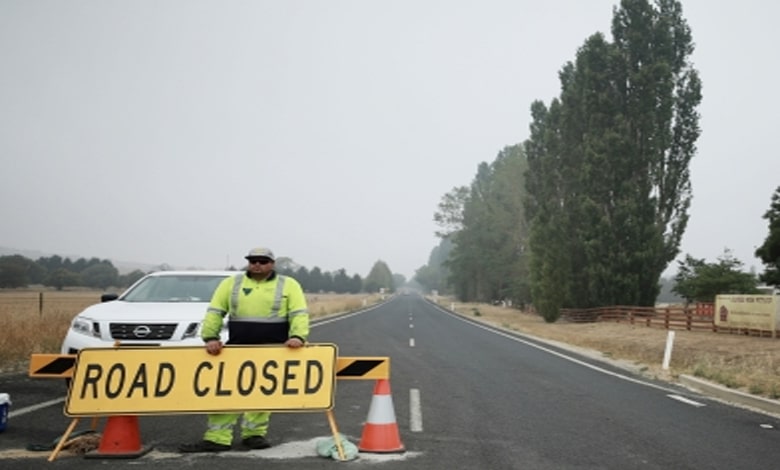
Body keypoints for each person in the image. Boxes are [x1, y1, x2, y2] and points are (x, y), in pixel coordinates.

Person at [179, 247, 309, 452]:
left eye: (263, 261)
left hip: (272, 350)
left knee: (263, 393)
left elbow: (299, 313)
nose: (257, 265)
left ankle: (254, 435)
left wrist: (297, 336)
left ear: (272, 264)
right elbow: (215, 311)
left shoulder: (289, 284)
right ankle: (217, 438)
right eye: (253, 261)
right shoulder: (231, 283)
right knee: (225, 391)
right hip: (237, 348)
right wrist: (211, 337)